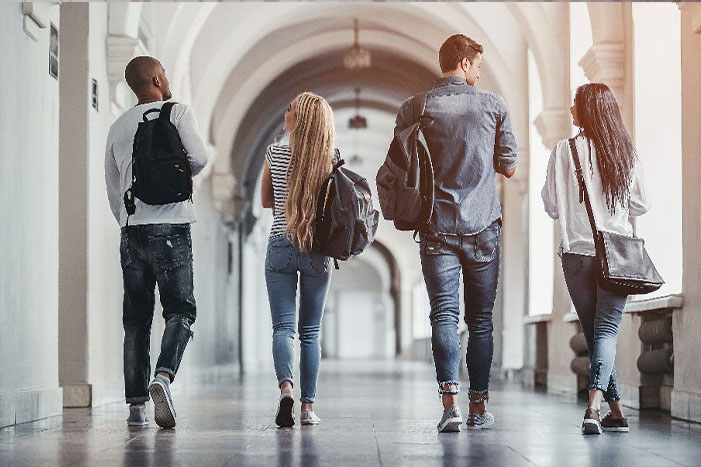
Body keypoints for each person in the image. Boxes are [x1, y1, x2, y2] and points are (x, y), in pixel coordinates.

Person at [394, 34, 518, 432]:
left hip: (436, 227)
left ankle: (451, 406)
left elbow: (401, 164)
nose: (479, 72)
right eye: (477, 65)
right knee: (480, 320)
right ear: (464, 63)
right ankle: (479, 408)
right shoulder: (494, 105)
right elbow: (509, 165)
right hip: (483, 227)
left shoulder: (415, 107)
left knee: (443, 315)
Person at [104, 56, 208, 428]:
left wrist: (129, 220)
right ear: (157, 78)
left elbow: (113, 187)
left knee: (136, 319)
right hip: (173, 226)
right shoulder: (176, 113)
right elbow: (200, 157)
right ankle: (162, 377)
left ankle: (135, 406)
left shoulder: (117, 126)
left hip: (132, 230)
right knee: (180, 310)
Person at [542, 83, 649, 435]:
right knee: (602, 333)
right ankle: (611, 410)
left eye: (575, 103)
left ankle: (596, 408)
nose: (571, 109)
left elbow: (552, 206)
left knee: (596, 333)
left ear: (588, 110)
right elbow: (641, 205)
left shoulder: (562, 151)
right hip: (616, 254)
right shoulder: (624, 153)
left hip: (576, 255)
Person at [261, 92, 335, 427]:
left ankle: (286, 390)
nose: (285, 112)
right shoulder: (330, 159)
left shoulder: (274, 152)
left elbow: (266, 201)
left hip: (280, 243)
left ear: (299, 119)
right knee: (311, 332)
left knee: (283, 328)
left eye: (289, 109)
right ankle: (307, 408)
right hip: (317, 250)